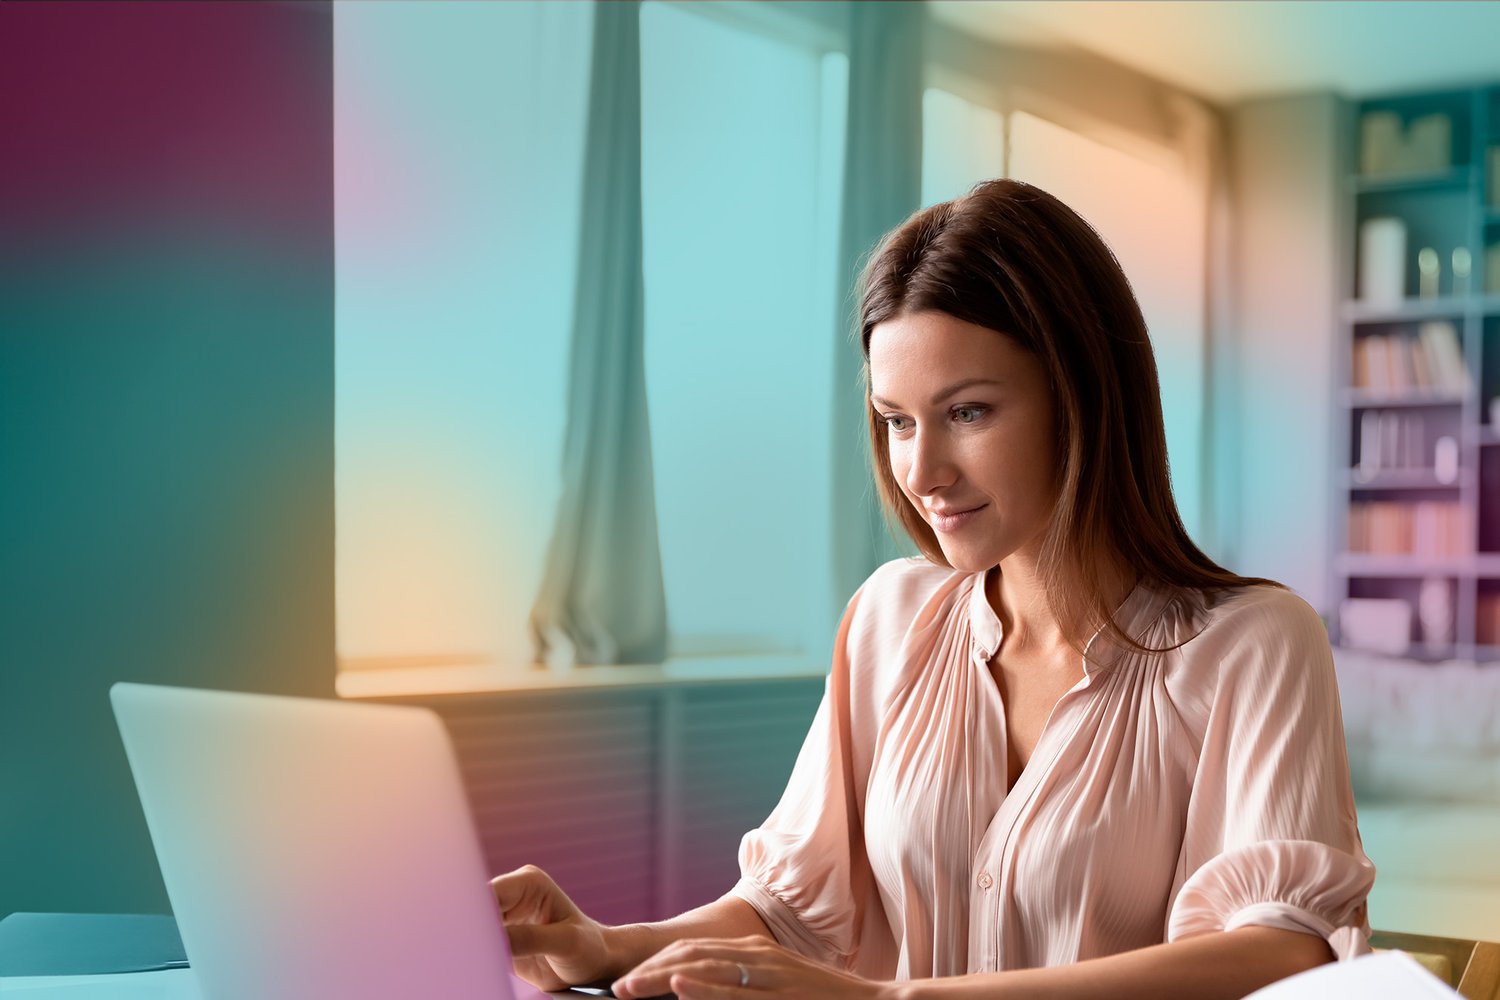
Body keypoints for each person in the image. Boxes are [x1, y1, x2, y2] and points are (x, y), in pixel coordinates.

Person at [492, 179, 1374, 1000]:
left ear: (1083, 396)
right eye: (897, 421)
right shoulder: (889, 618)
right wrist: (608, 947)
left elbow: (1284, 951)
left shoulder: (1255, 643)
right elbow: (791, 908)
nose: (921, 470)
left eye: (968, 412)